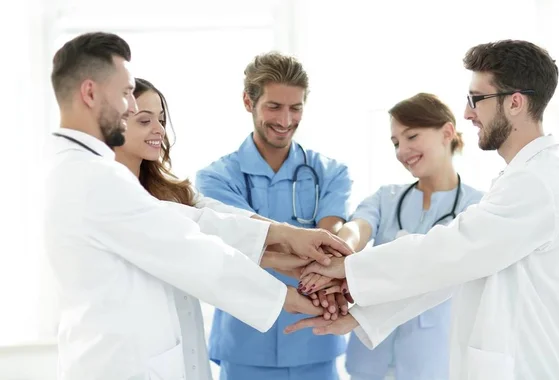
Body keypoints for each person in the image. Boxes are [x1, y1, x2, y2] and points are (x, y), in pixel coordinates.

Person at [44, 32, 351, 380]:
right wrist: (289, 297)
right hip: (121, 365)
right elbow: (190, 248)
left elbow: (198, 219)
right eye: (127, 93)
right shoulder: (95, 179)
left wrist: (282, 239)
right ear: (89, 93)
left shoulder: (91, 173)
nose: (131, 107)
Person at [285, 40, 559, 380]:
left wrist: (347, 267)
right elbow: (456, 269)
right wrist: (364, 317)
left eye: (476, 99)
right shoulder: (523, 178)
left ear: (515, 102)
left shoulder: (537, 183)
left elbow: (450, 251)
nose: (468, 113)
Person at [300, 93, 484, 380]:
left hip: (433, 360)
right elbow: (358, 228)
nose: (402, 151)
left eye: (412, 136)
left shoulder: (477, 207)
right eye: (396, 143)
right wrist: (338, 252)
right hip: (369, 359)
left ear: (447, 132)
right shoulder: (386, 198)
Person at [195, 51, 353, 380]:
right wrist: (307, 251)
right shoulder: (217, 177)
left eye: (295, 108)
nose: (285, 120)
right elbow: (233, 243)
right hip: (245, 341)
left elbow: (330, 241)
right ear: (247, 101)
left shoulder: (331, 172)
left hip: (316, 342)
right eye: (274, 106)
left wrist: (281, 252)